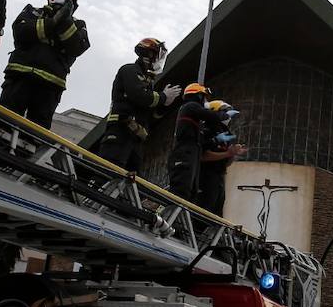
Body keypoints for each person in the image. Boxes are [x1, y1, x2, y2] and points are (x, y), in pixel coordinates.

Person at [0, 0, 89, 129]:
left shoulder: (78, 25)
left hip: (50, 86)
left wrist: (64, 20)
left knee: (36, 133)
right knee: (2, 124)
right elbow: (21, 32)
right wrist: (52, 22)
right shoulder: (32, 12)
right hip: (19, 77)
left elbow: (76, 47)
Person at [97, 38, 181, 171]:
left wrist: (164, 106)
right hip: (120, 132)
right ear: (148, 54)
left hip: (135, 140)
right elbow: (138, 95)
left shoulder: (148, 84)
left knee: (131, 180)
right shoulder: (129, 70)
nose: (159, 60)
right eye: (157, 56)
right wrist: (163, 97)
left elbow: (150, 117)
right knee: (108, 173)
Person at [167, 83, 225, 202]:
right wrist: (220, 115)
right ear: (198, 96)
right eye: (204, 97)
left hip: (190, 154)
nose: (205, 101)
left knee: (190, 193)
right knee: (180, 191)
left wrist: (216, 139)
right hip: (184, 154)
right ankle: (171, 210)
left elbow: (204, 141)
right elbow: (210, 116)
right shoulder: (190, 106)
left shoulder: (193, 121)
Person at [197, 100, 247, 216]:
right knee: (204, 209)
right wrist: (227, 154)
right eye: (225, 112)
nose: (228, 117)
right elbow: (202, 156)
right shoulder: (207, 130)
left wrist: (233, 153)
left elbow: (226, 163)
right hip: (205, 176)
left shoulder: (225, 133)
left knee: (217, 210)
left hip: (219, 177)